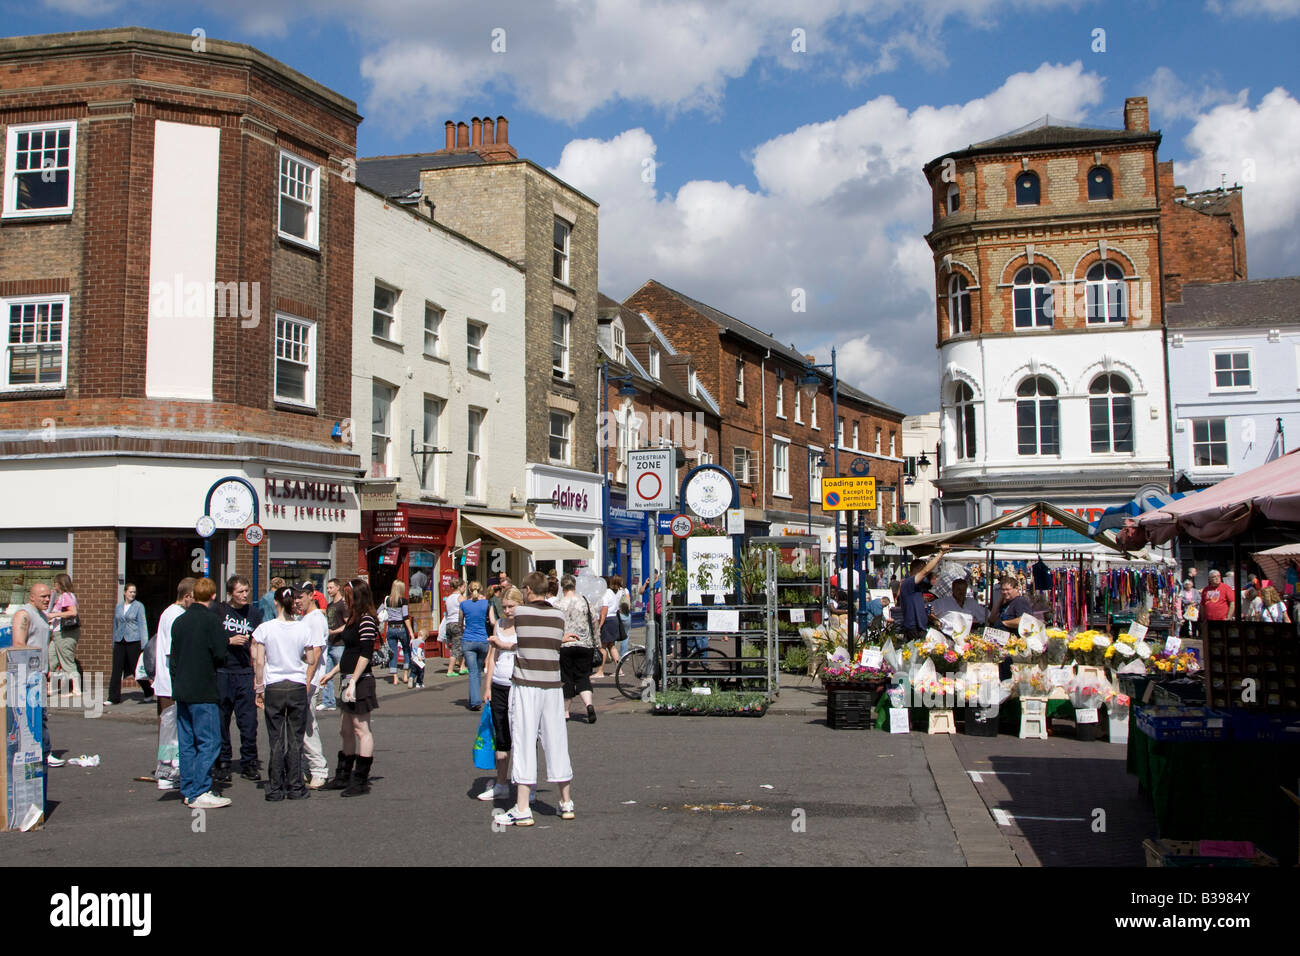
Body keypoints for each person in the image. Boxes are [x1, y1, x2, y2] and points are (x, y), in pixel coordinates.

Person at [492, 572, 575, 827]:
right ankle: (566, 802)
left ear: (528, 590)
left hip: (526, 684)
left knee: (524, 740)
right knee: (556, 740)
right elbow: (547, 643)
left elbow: (515, 636)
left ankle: (522, 807)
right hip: (552, 685)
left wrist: (500, 644)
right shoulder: (558, 615)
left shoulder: (521, 614)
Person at [252, 585, 320, 801]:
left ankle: (275, 787)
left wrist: (259, 687)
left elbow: (259, 661)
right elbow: (310, 659)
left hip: (274, 685)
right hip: (297, 684)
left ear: (276, 603)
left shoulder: (265, 628)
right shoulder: (303, 628)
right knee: (295, 737)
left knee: (276, 737)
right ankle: (295, 785)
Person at [169, 577, 231, 810]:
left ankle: (188, 789)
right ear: (213, 596)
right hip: (203, 689)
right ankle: (200, 790)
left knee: (187, 742)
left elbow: (173, 659)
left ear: (193, 594)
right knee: (209, 741)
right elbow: (220, 654)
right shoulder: (212, 620)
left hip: (182, 689)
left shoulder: (180, 621)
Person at [318, 580, 380, 796]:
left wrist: (354, 679)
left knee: (361, 728)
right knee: (345, 729)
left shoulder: (367, 621)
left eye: (348, 595)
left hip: (361, 680)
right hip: (347, 677)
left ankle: (360, 780)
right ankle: (343, 776)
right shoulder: (353, 620)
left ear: (357, 596)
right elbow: (349, 653)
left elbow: (365, 653)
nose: (345, 599)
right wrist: (332, 673)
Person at [213, 575, 263, 784]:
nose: (244, 595)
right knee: (221, 720)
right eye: (240, 591)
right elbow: (211, 639)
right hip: (223, 672)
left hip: (245, 672)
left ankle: (249, 762)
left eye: (246, 591)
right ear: (230, 593)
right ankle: (222, 762)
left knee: (248, 721)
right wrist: (229, 640)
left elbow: (260, 642)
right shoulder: (219, 611)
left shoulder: (254, 613)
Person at [150, 577, 195, 791]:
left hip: (169, 680)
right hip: (171, 681)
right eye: (195, 599)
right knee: (170, 729)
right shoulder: (175, 616)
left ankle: (170, 769)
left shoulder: (170, 613)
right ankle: (167, 771)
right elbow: (173, 652)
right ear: (187, 597)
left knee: (171, 728)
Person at [477, 587, 521, 801]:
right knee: (501, 736)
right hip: (499, 685)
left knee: (522, 737)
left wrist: (505, 645)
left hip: (519, 686)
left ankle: (524, 786)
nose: (507, 611)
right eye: (504, 607)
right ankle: (501, 783)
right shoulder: (499, 625)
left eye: (511, 606)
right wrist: (487, 687)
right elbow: (492, 657)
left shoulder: (525, 626)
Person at [12, 583, 61, 767]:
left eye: (49, 596)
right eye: (43, 597)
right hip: (27, 676)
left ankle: (40, 751)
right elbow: (18, 644)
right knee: (34, 715)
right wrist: (31, 672)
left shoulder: (41, 615)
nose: (47, 600)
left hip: (39, 674)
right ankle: (43, 753)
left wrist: (45, 670)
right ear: (32, 597)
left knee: (40, 714)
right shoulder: (24, 614)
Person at [294, 584, 330, 789]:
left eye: (301, 597)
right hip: (301, 678)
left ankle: (318, 769)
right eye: (296, 598)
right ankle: (306, 768)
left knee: (307, 724)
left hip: (310, 680)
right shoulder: (305, 618)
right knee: (301, 723)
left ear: (311, 596)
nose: (297, 601)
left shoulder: (316, 619)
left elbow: (315, 653)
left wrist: (307, 680)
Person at [557, 574, 598, 724]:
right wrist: (597, 643)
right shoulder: (585, 602)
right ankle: (589, 704)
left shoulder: (558, 604)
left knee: (566, 677)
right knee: (582, 676)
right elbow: (594, 622)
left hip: (565, 644)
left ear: (562, 587)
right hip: (584, 644)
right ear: (575, 586)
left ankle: (565, 712)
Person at [110, 583, 148, 705]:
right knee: (116, 669)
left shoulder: (139, 606)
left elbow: (143, 625)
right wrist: (114, 641)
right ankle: (113, 697)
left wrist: (144, 645)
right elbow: (115, 625)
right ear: (124, 592)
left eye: (134, 592)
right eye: (130, 592)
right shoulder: (119, 606)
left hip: (134, 640)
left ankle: (148, 691)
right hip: (120, 640)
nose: (132, 594)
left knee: (134, 669)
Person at [898, 549, 949, 639]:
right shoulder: (908, 583)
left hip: (920, 628)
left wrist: (925, 611)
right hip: (913, 628)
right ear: (919, 569)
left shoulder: (917, 586)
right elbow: (925, 571)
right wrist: (940, 553)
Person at [47, 573, 81, 699]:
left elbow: (72, 612)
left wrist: (53, 616)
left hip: (65, 634)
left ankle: (76, 689)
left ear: (60, 584)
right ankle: (54, 687)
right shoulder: (61, 597)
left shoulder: (66, 596)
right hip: (57, 634)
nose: (54, 585)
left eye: (55, 583)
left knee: (67, 660)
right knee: (52, 659)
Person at [459, 581, 491, 711]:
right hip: (483, 640)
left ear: (469, 590)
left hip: (468, 640)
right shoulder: (486, 603)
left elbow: (460, 622)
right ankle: (475, 697)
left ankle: (475, 700)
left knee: (472, 672)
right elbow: (490, 620)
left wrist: (463, 631)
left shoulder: (464, 604)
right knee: (477, 670)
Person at [319, 578, 346, 711]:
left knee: (345, 672)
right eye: (327, 588)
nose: (328, 590)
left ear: (338, 587)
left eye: (331, 588)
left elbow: (348, 625)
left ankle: (348, 698)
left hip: (340, 644)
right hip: (330, 643)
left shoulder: (343, 605)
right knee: (327, 673)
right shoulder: (330, 606)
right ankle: (328, 701)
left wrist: (334, 631)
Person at [383, 581, 415, 685]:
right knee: (406, 650)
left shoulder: (387, 600)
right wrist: (411, 632)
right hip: (401, 628)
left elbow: (379, 610)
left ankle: (395, 678)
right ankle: (405, 675)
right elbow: (405, 617)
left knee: (393, 653)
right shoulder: (403, 601)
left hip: (390, 629)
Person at [596, 574, 627, 676]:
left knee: (603, 646)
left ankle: (600, 671)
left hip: (608, 620)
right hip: (614, 619)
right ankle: (620, 670)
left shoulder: (606, 594)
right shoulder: (615, 593)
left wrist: (600, 625)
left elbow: (604, 612)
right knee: (611, 646)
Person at [444, 581, 466, 677]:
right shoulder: (461, 598)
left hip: (449, 624)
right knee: (456, 648)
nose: (464, 589)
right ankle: (450, 670)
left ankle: (462, 667)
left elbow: (447, 613)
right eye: (464, 587)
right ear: (460, 587)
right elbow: (466, 611)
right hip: (458, 623)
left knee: (457, 646)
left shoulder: (448, 598)